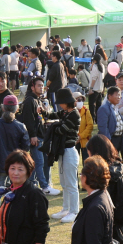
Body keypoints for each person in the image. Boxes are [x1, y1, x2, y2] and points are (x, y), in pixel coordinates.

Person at [0, 95, 30, 228]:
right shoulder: (20, 126)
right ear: (17, 109)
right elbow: (26, 147)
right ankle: (11, 216)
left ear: (3, 107)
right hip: (15, 164)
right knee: (15, 191)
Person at [43, 88, 81, 223]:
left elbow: (61, 130)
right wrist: (44, 112)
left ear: (66, 102)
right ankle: (66, 209)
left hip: (70, 151)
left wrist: (51, 126)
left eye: (61, 102)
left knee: (71, 183)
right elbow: (53, 115)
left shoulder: (74, 114)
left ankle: (74, 211)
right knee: (64, 183)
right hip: (63, 152)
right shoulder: (66, 112)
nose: (59, 105)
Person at [18, 77, 56, 194]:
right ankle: (45, 186)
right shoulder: (30, 100)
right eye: (39, 85)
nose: (41, 87)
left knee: (36, 162)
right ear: (32, 87)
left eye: (42, 85)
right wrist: (33, 135)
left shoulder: (37, 99)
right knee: (39, 162)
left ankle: (31, 184)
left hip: (40, 135)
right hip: (36, 136)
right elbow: (29, 120)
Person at [74, 91, 93, 161]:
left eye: (82, 100)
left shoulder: (86, 111)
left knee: (87, 162)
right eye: (78, 100)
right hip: (74, 141)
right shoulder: (69, 112)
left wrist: (81, 136)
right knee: (74, 162)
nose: (80, 102)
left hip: (85, 141)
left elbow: (90, 126)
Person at [88, 54, 105, 120]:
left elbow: (94, 78)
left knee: (91, 105)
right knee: (98, 105)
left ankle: (92, 118)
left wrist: (91, 88)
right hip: (100, 88)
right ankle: (98, 119)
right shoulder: (102, 66)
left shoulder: (95, 66)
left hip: (94, 89)